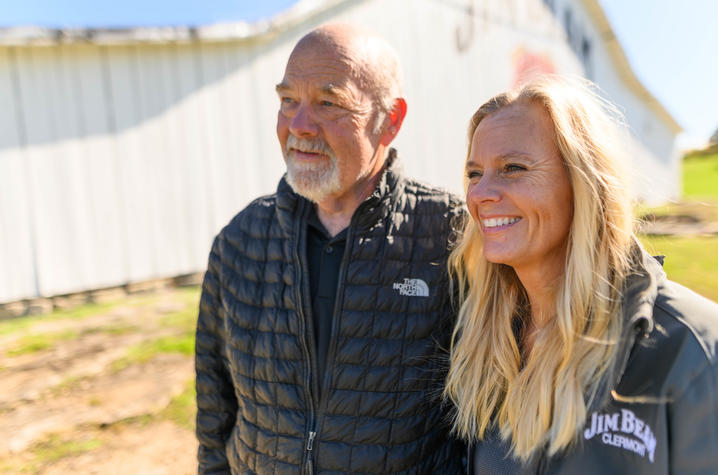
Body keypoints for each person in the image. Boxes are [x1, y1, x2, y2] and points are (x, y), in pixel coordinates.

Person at [195, 23, 465, 474]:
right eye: (287, 101)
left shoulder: (449, 235)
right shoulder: (239, 243)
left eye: (328, 102)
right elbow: (214, 414)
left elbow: (488, 419)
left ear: (390, 120)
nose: (299, 126)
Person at [444, 76, 718, 474]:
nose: (480, 193)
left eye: (513, 168)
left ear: (583, 183)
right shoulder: (484, 340)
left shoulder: (692, 349)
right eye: (474, 174)